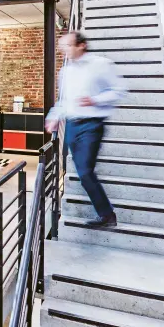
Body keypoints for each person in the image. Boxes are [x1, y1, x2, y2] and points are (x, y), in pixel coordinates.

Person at [45, 32, 126, 227]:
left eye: (68, 46)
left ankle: (107, 215)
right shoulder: (66, 72)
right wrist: (54, 117)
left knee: (85, 171)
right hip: (72, 125)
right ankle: (106, 214)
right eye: (62, 47)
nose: (64, 51)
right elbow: (64, 100)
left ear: (81, 45)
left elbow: (120, 90)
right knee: (82, 171)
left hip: (92, 124)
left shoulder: (101, 65)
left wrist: (95, 99)